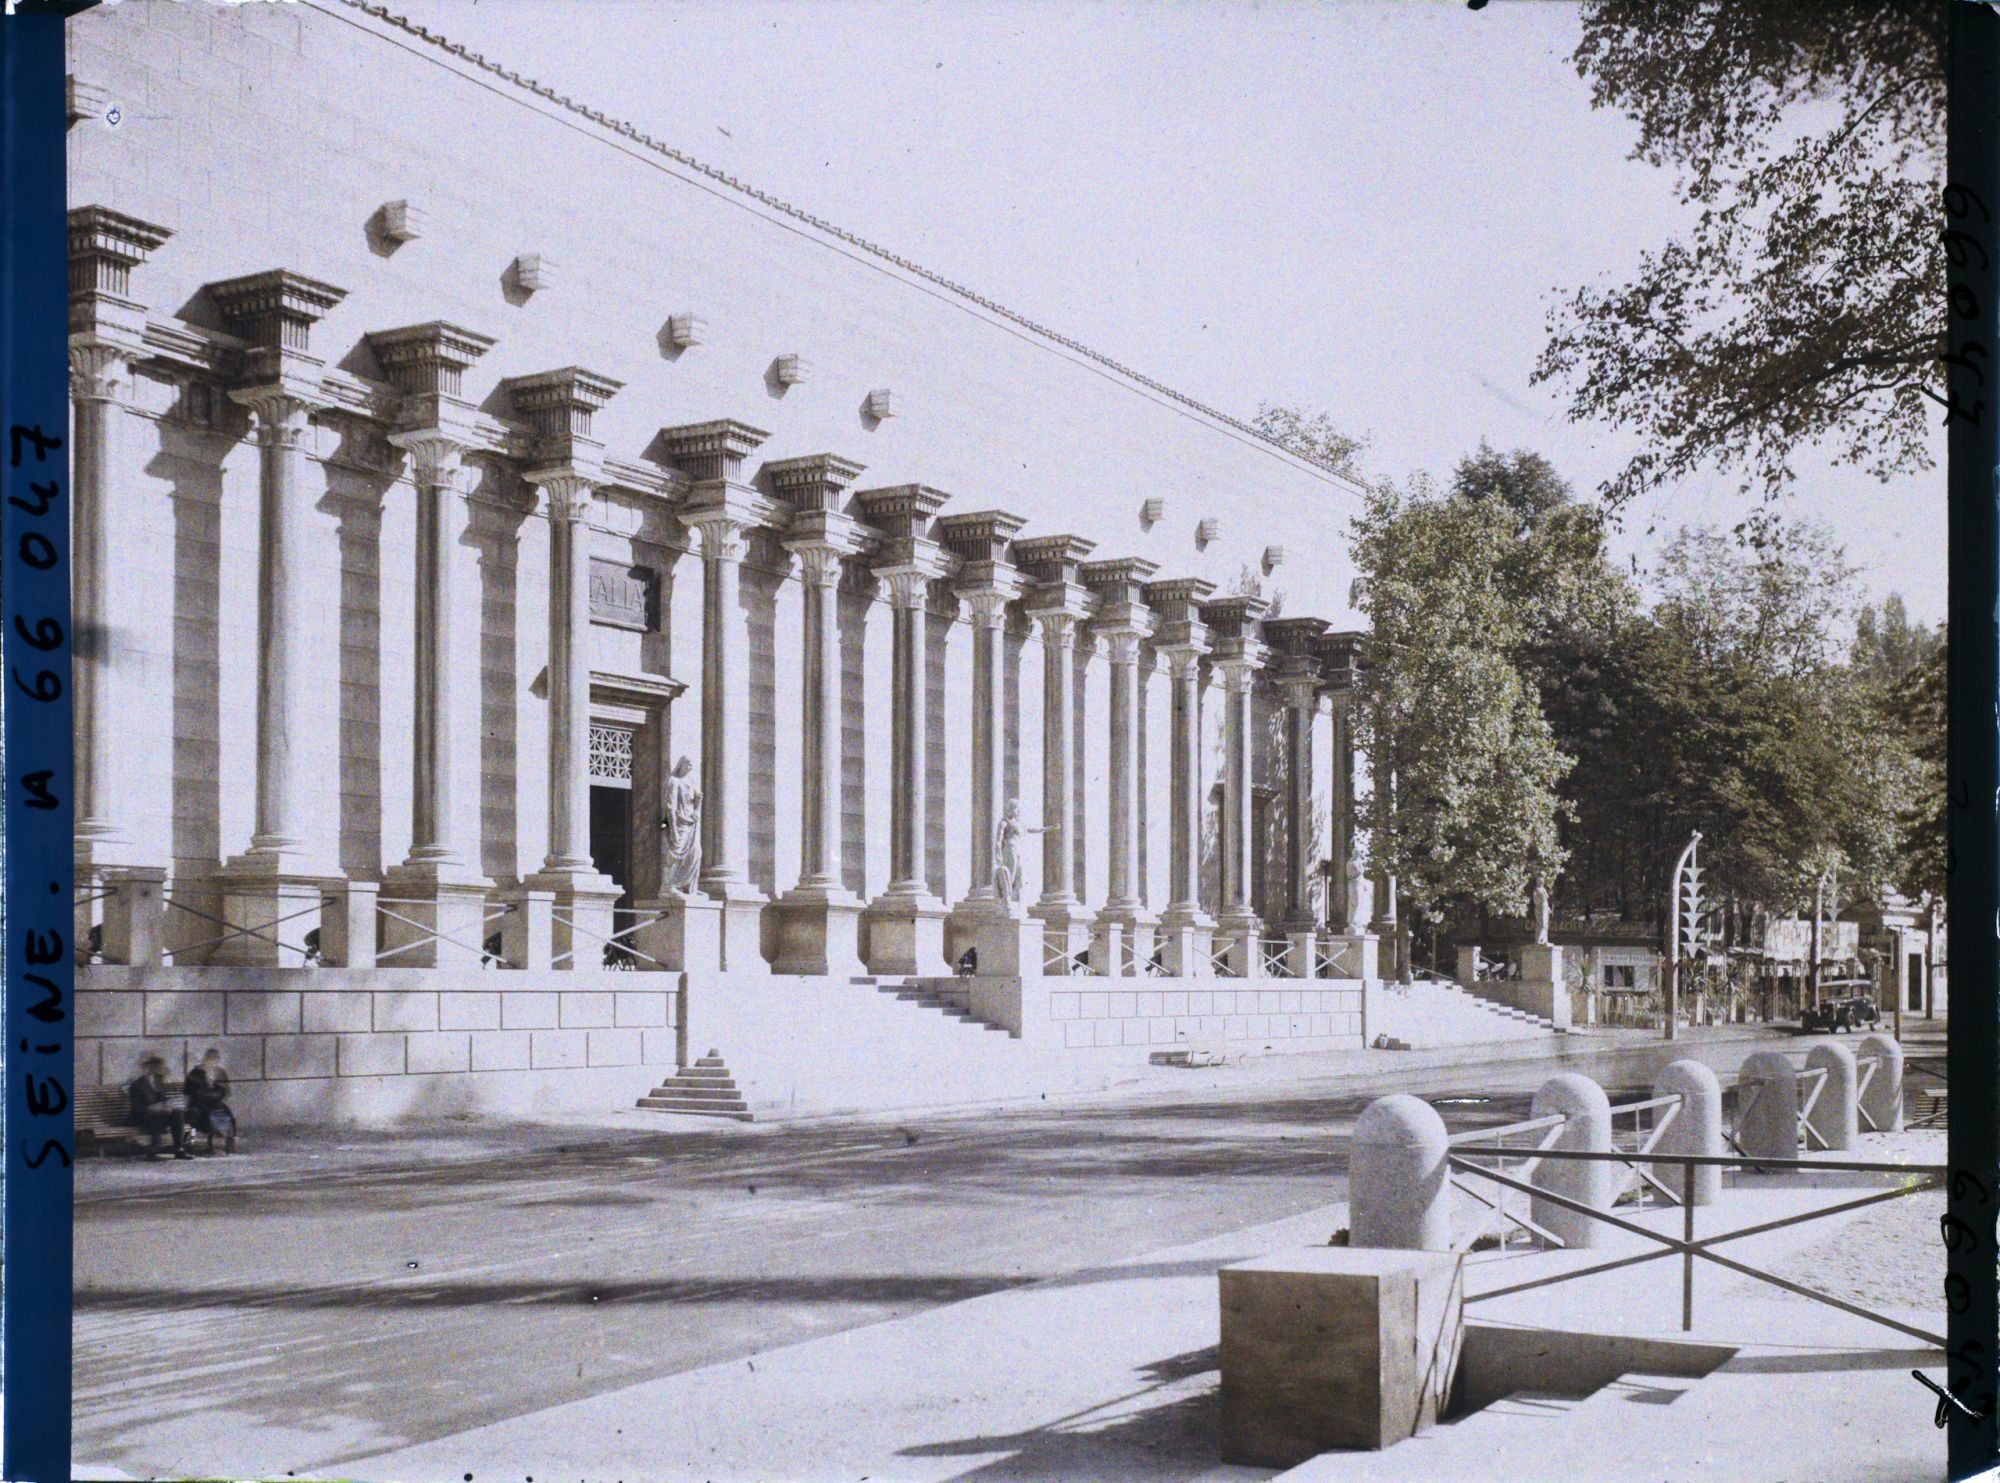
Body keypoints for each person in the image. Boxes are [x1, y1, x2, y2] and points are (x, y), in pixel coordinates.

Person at [127, 1055, 191, 1160]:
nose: (153, 1071)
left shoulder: (158, 1083)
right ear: (145, 1069)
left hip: (159, 1115)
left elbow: (164, 1099)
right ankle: (154, 1149)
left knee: (177, 1113)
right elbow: (137, 1108)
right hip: (140, 1117)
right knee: (158, 1115)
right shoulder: (136, 1085)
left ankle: (179, 1149)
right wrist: (153, 1107)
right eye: (150, 1067)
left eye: (155, 1068)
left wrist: (168, 1105)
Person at [660, 755, 702, 894]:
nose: (689, 768)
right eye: (687, 764)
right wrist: (673, 830)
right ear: (681, 764)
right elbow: (670, 807)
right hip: (678, 824)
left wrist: (697, 807)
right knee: (675, 853)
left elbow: (696, 801)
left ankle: (689, 887)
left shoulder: (690, 781)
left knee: (696, 853)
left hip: (690, 824)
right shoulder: (674, 781)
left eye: (691, 765)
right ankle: (669, 886)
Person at [184, 1047, 236, 1154]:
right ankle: (191, 1141)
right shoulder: (195, 1073)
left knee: (227, 1114)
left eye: (216, 1059)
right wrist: (207, 1095)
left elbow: (225, 1090)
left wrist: (218, 1094)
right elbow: (191, 1091)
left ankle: (228, 1140)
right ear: (205, 1059)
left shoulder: (220, 1072)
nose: (214, 1062)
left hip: (215, 1102)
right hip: (198, 1103)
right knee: (199, 1117)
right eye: (212, 1059)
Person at [992, 798, 1043, 905]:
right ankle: (1006, 900)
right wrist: (998, 856)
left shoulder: (1019, 823)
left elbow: (1032, 829)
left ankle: (1013, 901)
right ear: (1010, 809)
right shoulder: (1004, 822)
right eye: (1016, 809)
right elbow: (998, 841)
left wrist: (1048, 828)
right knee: (1009, 876)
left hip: (1018, 851)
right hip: (1009, 850)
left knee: (1020, 878)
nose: (1018, 812)